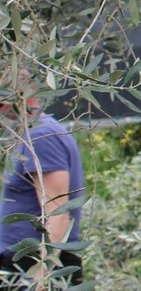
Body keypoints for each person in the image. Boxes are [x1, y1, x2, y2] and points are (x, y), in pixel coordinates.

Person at [0, 70, 85, 287]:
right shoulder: (29, 133)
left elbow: (58, 213)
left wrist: (42, 279)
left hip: (34, 265)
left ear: (19, 94)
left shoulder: (40, 136)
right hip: (20, 262)